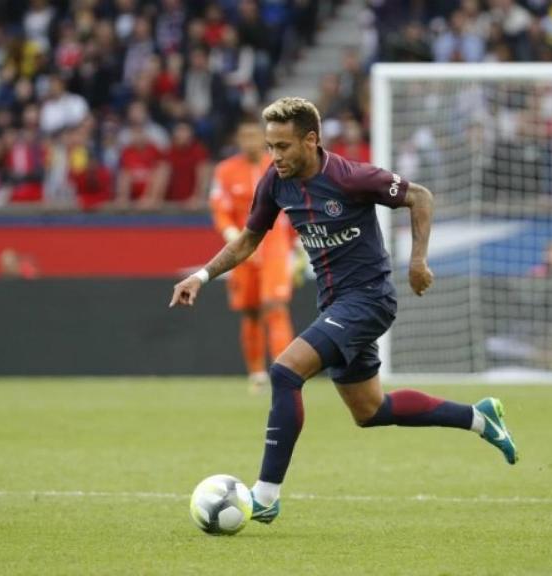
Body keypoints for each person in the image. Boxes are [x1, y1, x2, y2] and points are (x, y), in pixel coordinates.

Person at [171, 97, 517, 523]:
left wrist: (417, 260)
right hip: (335, 303)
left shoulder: (351, 177)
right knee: (370, 411)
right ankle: (479, 418)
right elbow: (247, 239)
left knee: (284, 372)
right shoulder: (275, 182)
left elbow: (421, 197)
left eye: (282, 146)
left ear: (311, 140)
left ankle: (265, 494)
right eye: (270, 146)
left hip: (370, 298)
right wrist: (201, 277)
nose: (274, 156)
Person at [209, 118, 298, 393]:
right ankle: (257, 373)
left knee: (275, 306)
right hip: (242, 247)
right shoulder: (225, 171)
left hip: (274, 246)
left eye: (254, 136)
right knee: (250, 312)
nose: (249, 142)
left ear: (264, 138)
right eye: (244, 136)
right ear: (238, 140)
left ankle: (285, 374)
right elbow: (219, 208)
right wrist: (230, 235)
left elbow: (296, 206)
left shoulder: (281, 167)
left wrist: (299, 246)